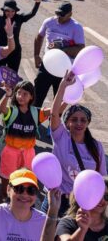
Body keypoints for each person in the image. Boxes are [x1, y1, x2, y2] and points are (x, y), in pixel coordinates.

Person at [42, 71, 106, 216]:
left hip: (81, 203)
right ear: (67, 122)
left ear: (88, 123)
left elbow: (100, 177)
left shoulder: (96, 147)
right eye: (74, 119)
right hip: (57, 199)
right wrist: (63, 86)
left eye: (83, 120)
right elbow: (54, 112)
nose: (78, 123)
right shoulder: (60, 137)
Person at [0, 81, 50, 201]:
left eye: (25, 94)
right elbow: (1, 108)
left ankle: (19, 206)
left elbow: (54, 110)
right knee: (6, 184)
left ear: (31, 96)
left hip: (28, 153)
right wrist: (7, 95)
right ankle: (2, 204)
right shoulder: (12, 111)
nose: (20, 96)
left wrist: (66, 99)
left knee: (24, 182)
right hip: (10, 152)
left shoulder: (36, 113)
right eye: (18, 93)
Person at [33, 2, 85, 108]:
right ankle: (34, 122)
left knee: (58, 101)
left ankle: (53, 123)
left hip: (64, 70)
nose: (59, 17)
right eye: (57, 13)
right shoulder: (49, 22)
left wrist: (61, 50)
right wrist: (36, 55)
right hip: (47, 65)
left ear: (70, 14)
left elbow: (80, 49)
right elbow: (39, 37)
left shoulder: (76, 27)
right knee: (37, 96)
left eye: (62, 15)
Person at [0, 0, 42, 72]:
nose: (10, 13)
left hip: (15, 52)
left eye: (13, 11)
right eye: (7, 10)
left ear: (15, 11)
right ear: (4, 10)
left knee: (12, 75)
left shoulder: (19, 18)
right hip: (1, 51)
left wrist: (37, 3)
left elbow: (32, 13)